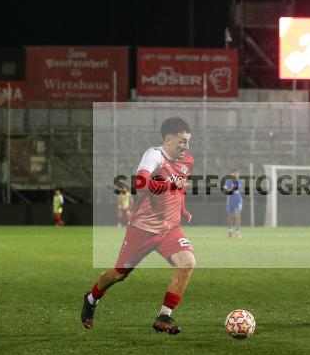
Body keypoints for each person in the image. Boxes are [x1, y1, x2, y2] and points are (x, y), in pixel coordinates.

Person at [81, 116, 195, 335]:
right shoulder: (154, 156)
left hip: (170, 228)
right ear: (168, 140)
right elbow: (140, 183)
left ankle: (164, 317)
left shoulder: (187, 161)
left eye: (188, 141)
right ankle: (91, 298)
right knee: (119, 274)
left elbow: (178, 188)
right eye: (182, 141)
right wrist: (169, 184)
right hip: (143, 229)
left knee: (187, 262)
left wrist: (182, 209)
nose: (186, 146)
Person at [223, 170, 244, 238]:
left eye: (237, 174)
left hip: (237, 201)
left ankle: (237, 232)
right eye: (234, 174)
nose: (236, 175)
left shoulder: (239, 181)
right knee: (230, 216)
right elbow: (225, 191)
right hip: (230, 201)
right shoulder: (228, 182)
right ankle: (230, 231)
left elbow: (239, 189)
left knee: (237, 216)